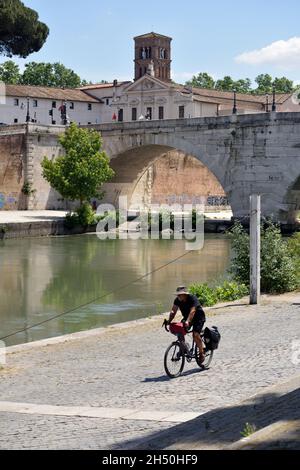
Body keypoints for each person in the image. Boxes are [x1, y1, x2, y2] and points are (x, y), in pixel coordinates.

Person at [168, 286, 206, 363]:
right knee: (180, 331)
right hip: (187, 318)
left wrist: (188, 321)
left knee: (195, 335)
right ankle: (183, 348)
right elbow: (173, 311)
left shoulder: (192, 298)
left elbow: (192, 311)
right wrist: (169, 321)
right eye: (177, 294)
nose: (178, 296)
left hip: (198, 317)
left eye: (180, 294)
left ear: (185, 294)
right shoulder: (177, 300)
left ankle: (202, 353)